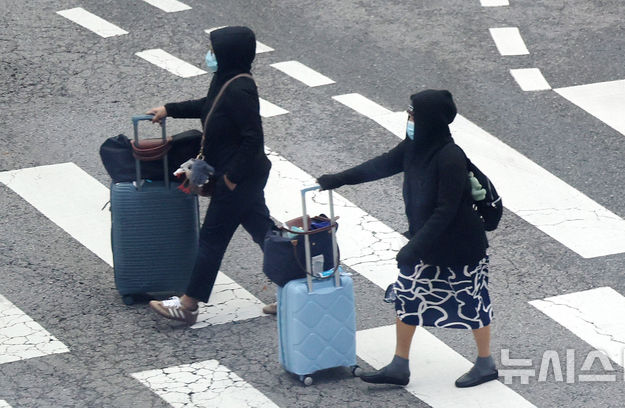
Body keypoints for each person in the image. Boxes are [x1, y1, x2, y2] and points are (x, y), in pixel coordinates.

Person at [316, 90, 497, 388]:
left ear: (430, 120)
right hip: (426, 244)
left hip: (460, 248)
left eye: (413, 115)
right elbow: (382, 164)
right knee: (408, 297)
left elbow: (446, 211)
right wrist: (339, 178)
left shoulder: (450, 157)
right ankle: (399, 366)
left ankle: (485, 363)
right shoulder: (415, 146)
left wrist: (414, 247)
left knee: (471, 304)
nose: (409, 119)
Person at [146, 26, 277, 324]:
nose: (210, 55)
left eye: (214, 50)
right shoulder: (226, 79)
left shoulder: (242, 89)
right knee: (262, 230)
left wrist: (231, 177)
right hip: (242, 176)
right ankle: (296, 285)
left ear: (228, 54)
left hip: (239, 178)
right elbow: (210, 107)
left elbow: (253, 138)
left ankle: (188, 305)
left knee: (212, 238)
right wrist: (170, 109)